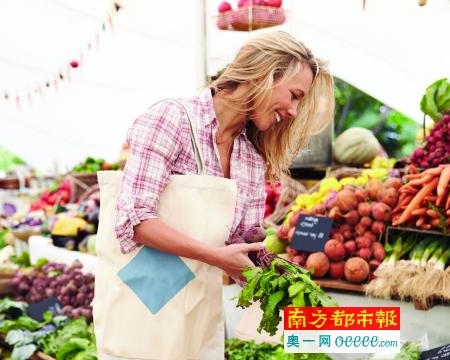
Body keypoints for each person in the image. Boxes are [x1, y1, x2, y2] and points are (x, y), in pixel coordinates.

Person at [94, 31, 335, 359]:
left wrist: (279, 270)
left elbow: (242, 240)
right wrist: (215, 256)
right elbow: (135, 220)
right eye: (293, 95)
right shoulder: (173, 120)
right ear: (264, 75)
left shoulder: (250, 157)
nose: (293, 111)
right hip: (142, 295)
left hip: (198, 304)